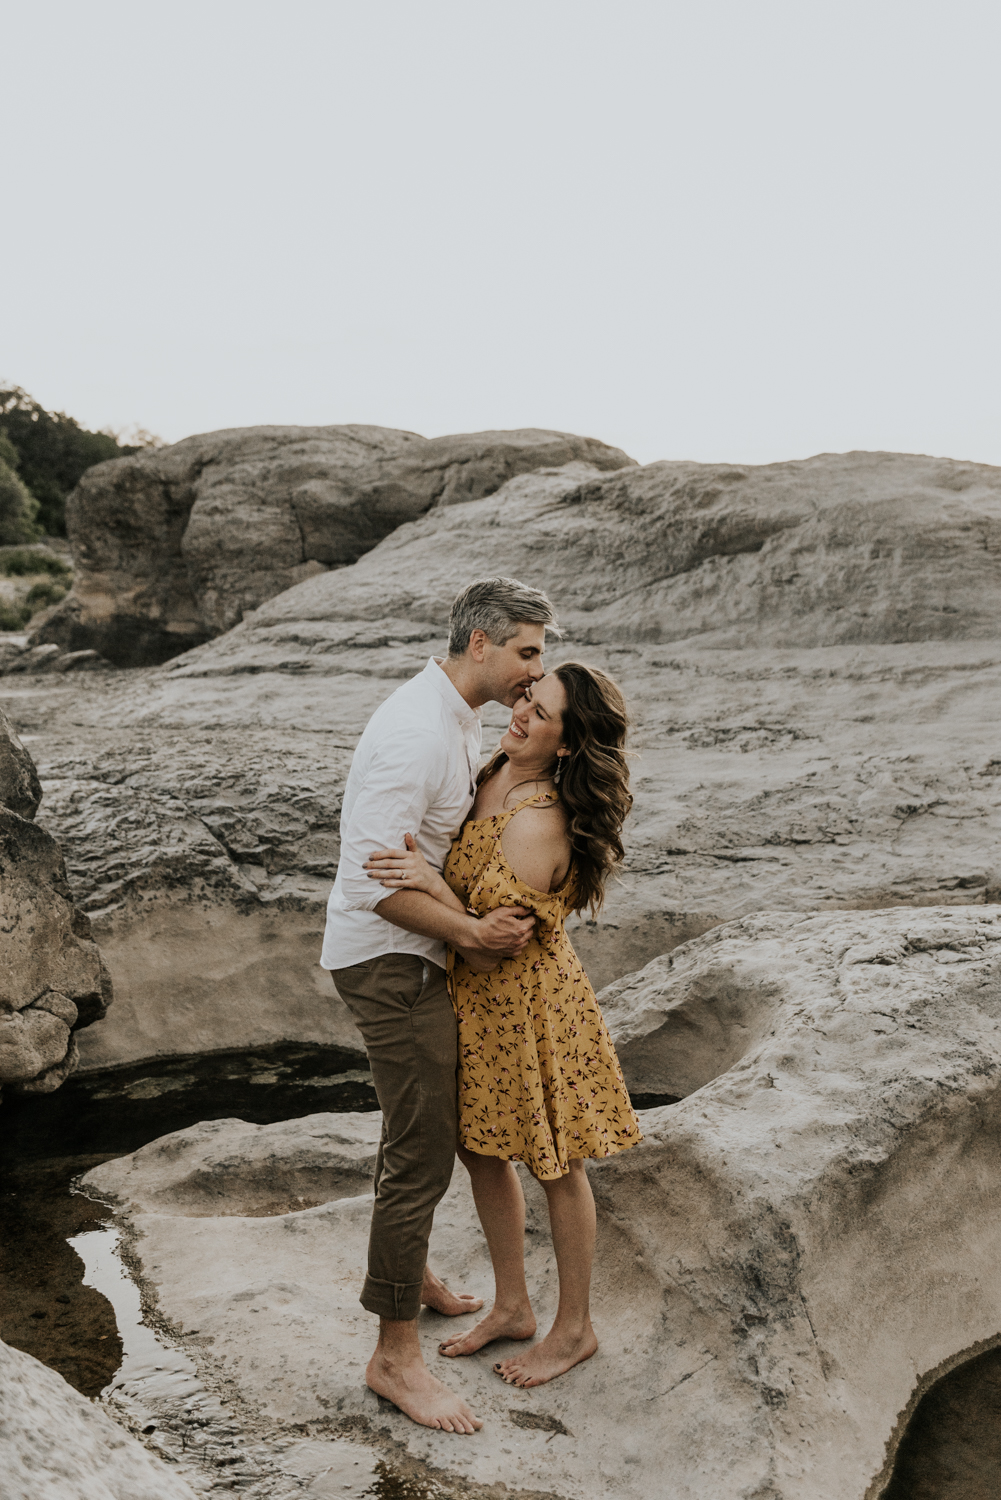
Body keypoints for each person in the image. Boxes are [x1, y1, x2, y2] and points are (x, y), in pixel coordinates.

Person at [321, 576, 561, 1434]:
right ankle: (394, 1358)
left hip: (415, 952)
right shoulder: (418, 733)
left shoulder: (456, 719)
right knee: (423, 1151)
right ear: (480, 645)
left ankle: (411, 1280)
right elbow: (365, 881)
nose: (537, 672)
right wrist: (465, 931)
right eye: (528, 652)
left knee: (414, 1127)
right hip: (393, 960)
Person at [365, 660, 642, 1390]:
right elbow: (471, 925)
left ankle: (573, 1329)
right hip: (477, 1008)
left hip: (528, 1010)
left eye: (540, 712)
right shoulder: (495, 766)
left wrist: (429, 883)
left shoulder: (538, 821)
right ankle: (513, 1307)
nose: (519, 711)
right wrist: (449, 897)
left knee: (554, 1164)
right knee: (482, 1151)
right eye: (526, 695)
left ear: (566, 746)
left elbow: (490, 951)